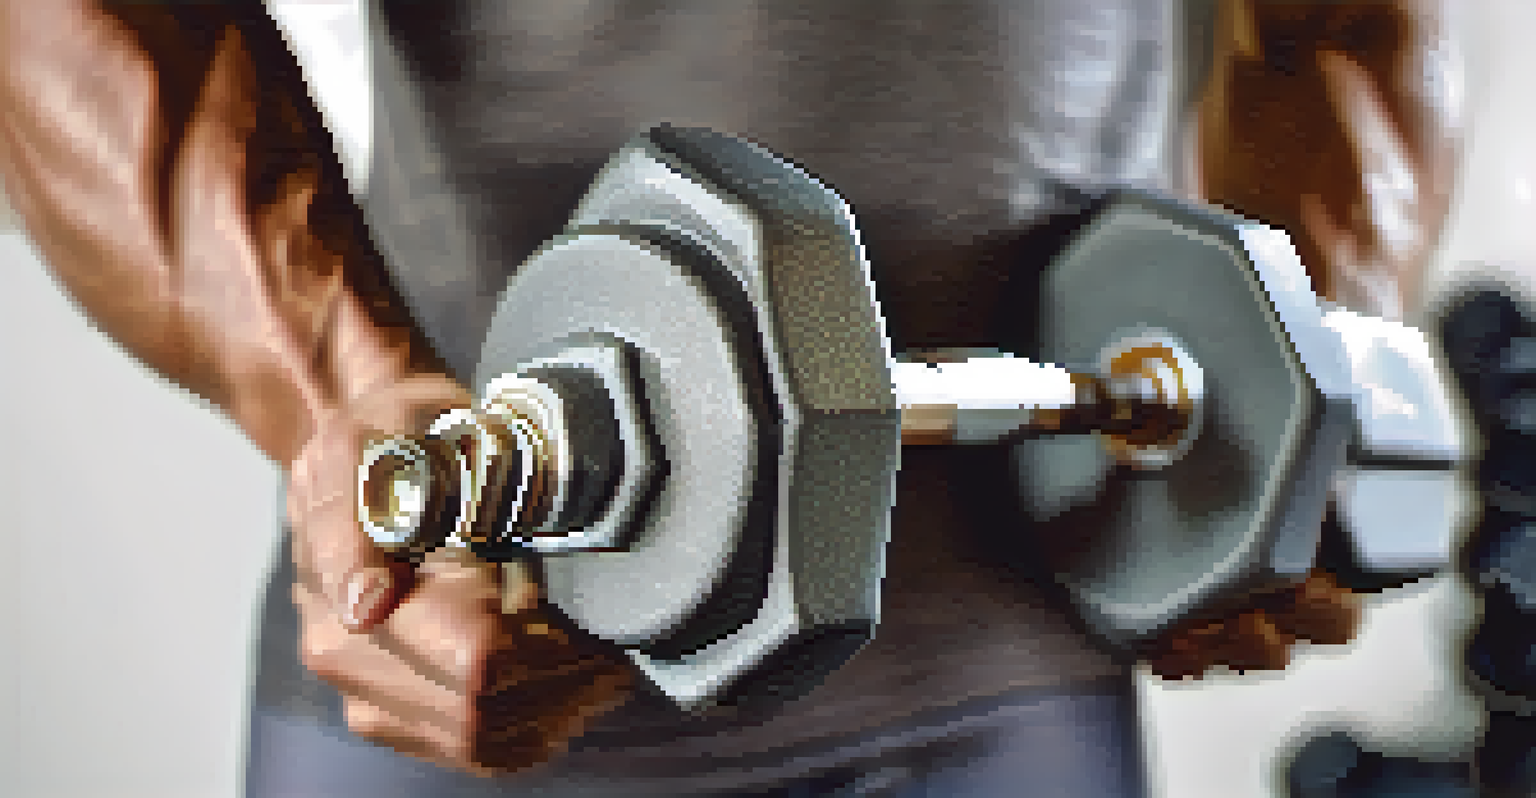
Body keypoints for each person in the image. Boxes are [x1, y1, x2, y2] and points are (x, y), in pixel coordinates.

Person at [0, 1, 1462, 795]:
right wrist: (341, 390)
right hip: (469, 645)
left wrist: (1300, 373)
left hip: (1010, 662)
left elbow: (1352, 18)